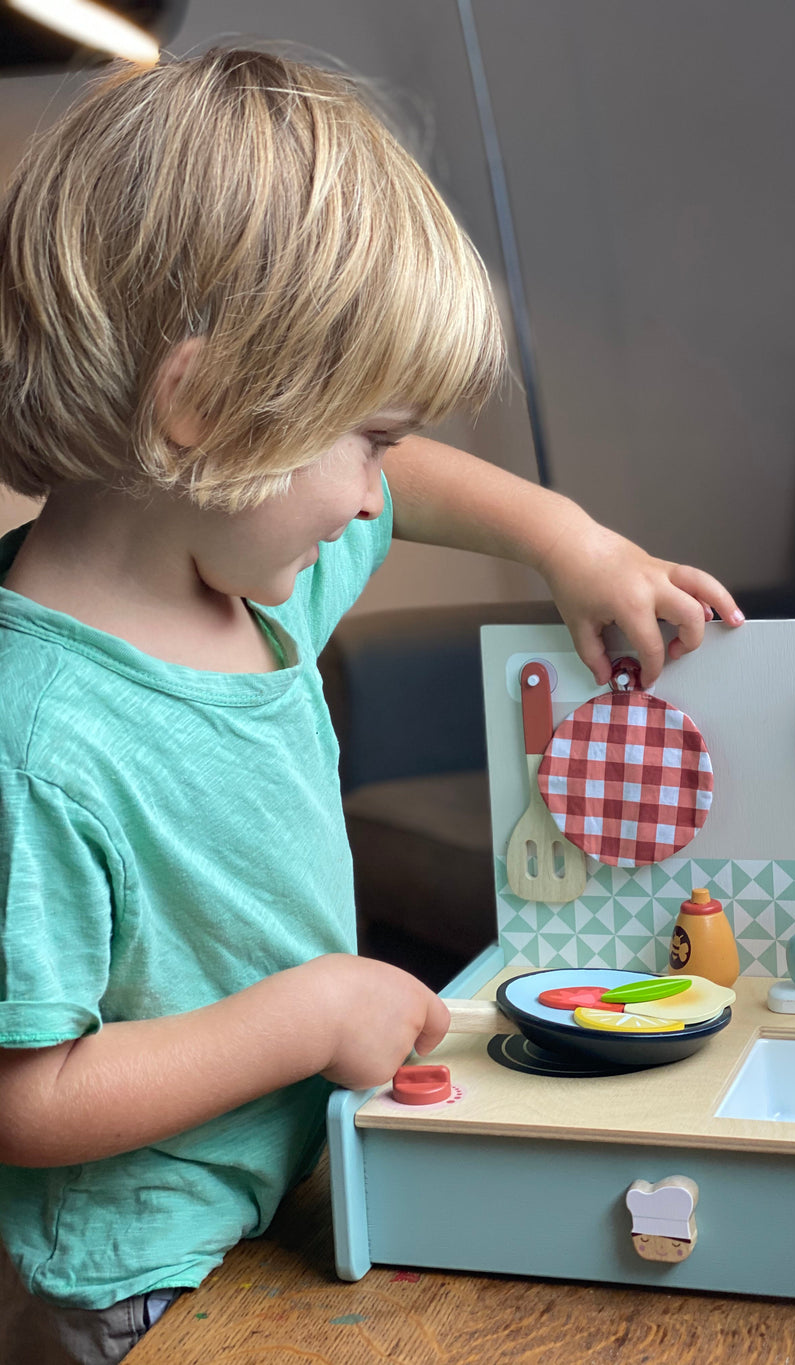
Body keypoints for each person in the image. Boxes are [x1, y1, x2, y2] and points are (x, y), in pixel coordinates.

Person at [0, 47, 744, 1365]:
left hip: (288, 1189)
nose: (370, 498)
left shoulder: (240, 565)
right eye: (368, 439)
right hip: (145, 1279)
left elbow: (421, 493)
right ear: (207, 413)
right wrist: (307, 1013)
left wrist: (568, 542)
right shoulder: (38, 737)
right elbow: (23, 1097)